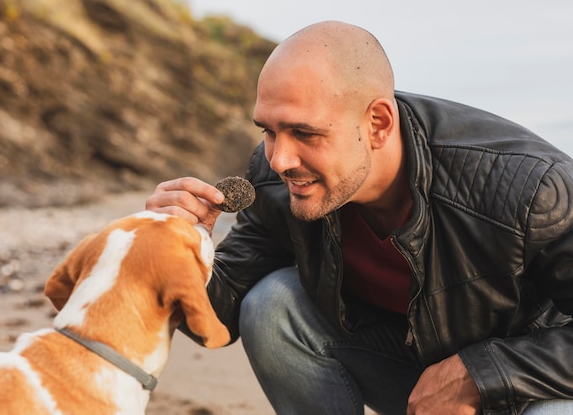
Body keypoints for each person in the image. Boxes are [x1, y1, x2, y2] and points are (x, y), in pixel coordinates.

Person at [145, 21, 573, 415]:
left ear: (378, 124)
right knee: (272, 304)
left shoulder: (532, 189)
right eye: (268, 130)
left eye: (305, 133)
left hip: (534, 385)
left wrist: (482, 373)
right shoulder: (278, 181)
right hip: (415, 377)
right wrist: (177, 249)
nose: (279, 159)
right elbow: (216, 318)